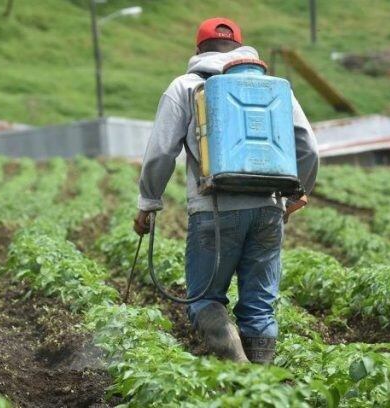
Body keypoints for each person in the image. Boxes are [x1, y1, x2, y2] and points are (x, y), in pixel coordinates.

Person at [133, 18, 318, 364]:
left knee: (206, 300)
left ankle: (237, 366)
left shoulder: (186, 86)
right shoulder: (276, 87)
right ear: (240, 48)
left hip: (213, 209)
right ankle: (260, 389)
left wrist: (148, 203)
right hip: (268, 209)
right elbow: (308, 147)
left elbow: (161, 152)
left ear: (198, 50)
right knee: (260, 309)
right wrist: (297, 193)